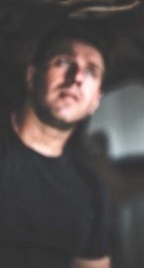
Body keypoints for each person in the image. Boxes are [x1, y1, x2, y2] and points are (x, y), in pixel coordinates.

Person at [0, 25, 111, 267]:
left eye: (91, 71)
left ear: (96, 101)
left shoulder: (89, 187)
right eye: (63, 61)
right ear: (32, 76)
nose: (77, 77)